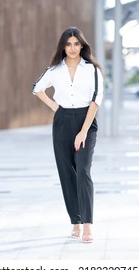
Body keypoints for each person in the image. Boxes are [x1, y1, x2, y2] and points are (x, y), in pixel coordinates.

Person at [32, 27, 104, 243]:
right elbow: (37, 88)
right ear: (63, 46)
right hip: (62, 122)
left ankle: (88, 226)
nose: (72, 48)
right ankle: (76, 221)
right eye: (68, 44)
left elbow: (96, 100)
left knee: (83, 170)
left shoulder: (92, 70)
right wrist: (56, 107)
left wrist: (83, 131)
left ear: (82, 45)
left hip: (86, 121)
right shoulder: (54, 70)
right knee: (67, 173)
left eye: (76, 43)